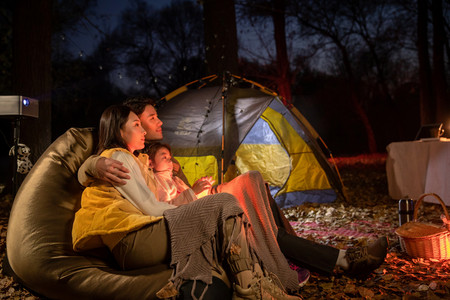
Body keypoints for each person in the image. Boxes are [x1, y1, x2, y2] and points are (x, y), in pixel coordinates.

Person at [78, 97, 388, 279]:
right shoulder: (137, 159)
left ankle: (312, 254)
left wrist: (195, 188)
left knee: (252, 181)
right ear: (130, 125)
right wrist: (91, 165)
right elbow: (147, 198)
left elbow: (175, 194)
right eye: (149, 118)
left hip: (191, 205)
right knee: (247, 212)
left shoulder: (154, 155)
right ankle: (338, 259)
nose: (158, 121)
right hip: (179, 216)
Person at [72, 104, 302, 300]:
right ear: (119, 131)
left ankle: (253, 284)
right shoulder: (118, 157)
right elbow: (150, 207)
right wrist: (195, 209)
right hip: (132, 238)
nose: (144, 128)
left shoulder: (137, 159)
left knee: (227, 202)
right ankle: (251, 288)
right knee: (224, 202)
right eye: (137, 124)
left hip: (136, 234)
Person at [147, 142, 215, 203]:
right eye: (164, 157)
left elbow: (192, 199)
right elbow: (166, 208)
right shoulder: (157, 181)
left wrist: (203, 190)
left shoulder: (176, 180)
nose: (170, 162)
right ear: (151, 164)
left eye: (170, 158)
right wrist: (193, 192)